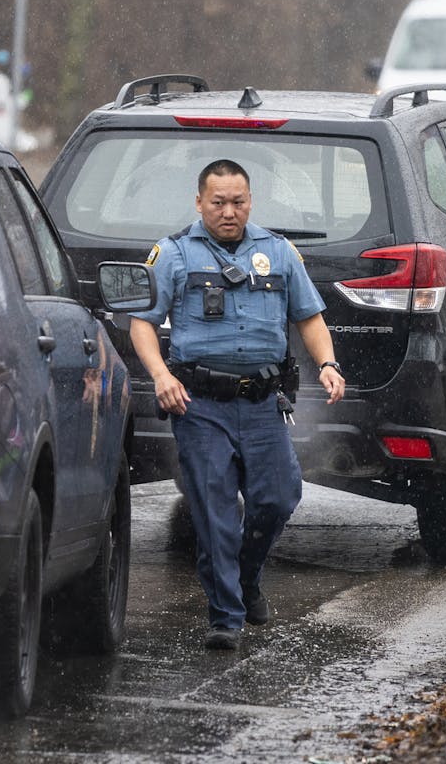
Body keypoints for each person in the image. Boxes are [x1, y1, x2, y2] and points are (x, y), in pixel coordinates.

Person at [130, 159, 345, 651]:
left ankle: (246, 579)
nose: (229, 212)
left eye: (239, 201)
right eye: (218, 202)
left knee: (279, 496)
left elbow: (308, 316)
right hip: (200, 405)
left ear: (251, 201)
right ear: (199, 202)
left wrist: (328, 364)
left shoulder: (278, 252)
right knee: (216, 513)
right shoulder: (173, 254)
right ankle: (225, 616)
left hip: (264, 403)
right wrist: (161, 375)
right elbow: (141, 322)